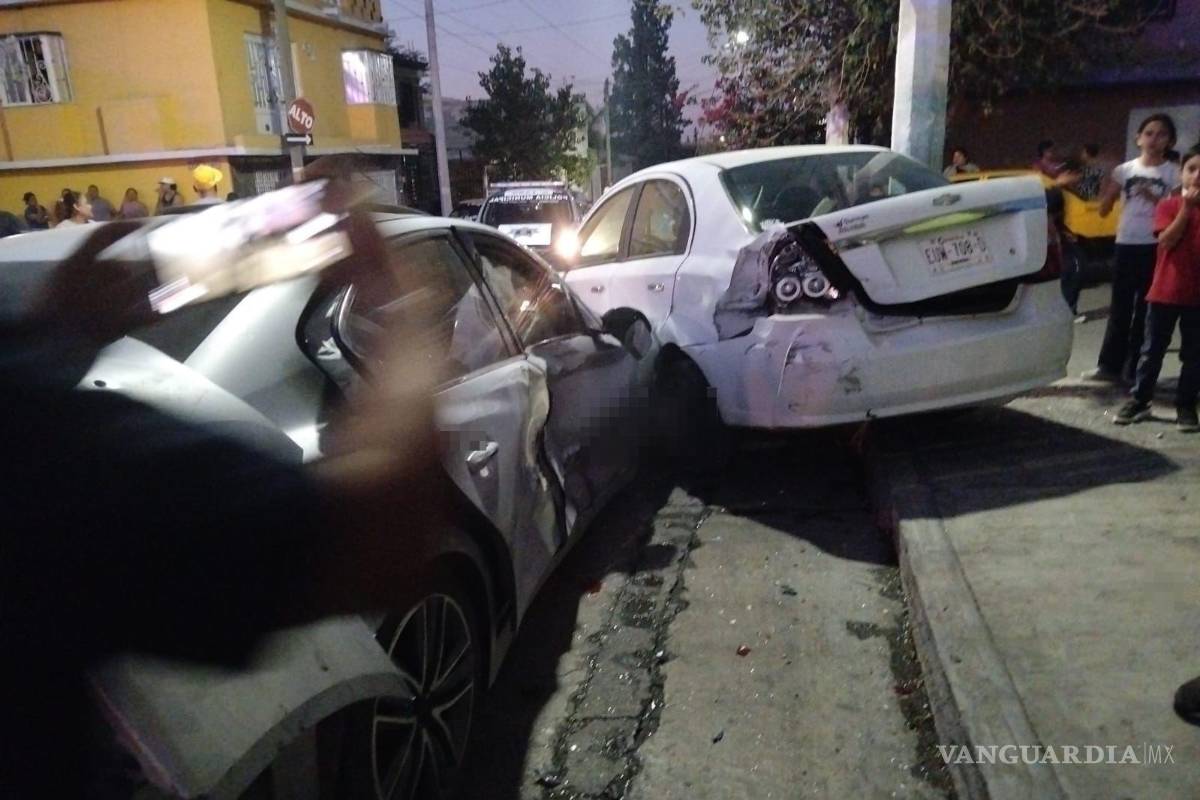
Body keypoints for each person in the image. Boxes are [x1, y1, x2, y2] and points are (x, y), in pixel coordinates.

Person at [0, 213, 448, 795]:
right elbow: (382, 535)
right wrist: (400, 305)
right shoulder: (42, 434)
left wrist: (55, 336)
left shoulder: (31, 403)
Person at [1086, 113, 1181, 384]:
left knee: (1145, 307)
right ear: (1138, 138)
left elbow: (1176, 211)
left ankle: (1133, 367)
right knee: (1120, 305)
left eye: (1161, 134)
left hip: (1155, 245)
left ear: (1169, 141)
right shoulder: (1124, 170)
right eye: (1148, 133)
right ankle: (1108, 365)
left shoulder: (1173, 173)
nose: (1153, 139)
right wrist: (1106, 193)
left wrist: (1155, 198)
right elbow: (1104, 209)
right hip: (1126, 242)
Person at [1112, 143, 1200, 431]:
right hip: (1165, 292)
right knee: (1152, 350)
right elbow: (1166, 240)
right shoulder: (1169, 205)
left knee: (1194, 355)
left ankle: (1185, 406)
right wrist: (1186, 209)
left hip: (1196, 298)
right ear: (1182, 173)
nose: (1197, 176)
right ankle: (1140, 399)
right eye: (1191, 169)